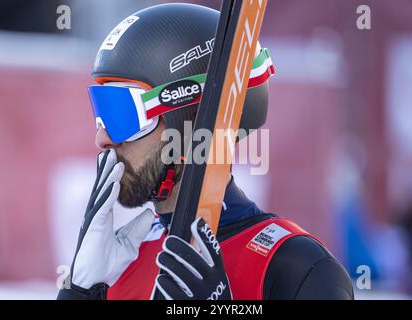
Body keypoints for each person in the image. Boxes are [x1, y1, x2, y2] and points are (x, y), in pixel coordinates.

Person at [57, 3, 353, 300]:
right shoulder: (117, 267)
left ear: (190, 119)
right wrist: (79, 292)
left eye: (123, 115)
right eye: (102, 112)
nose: (103, 137)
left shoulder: (297, 268)